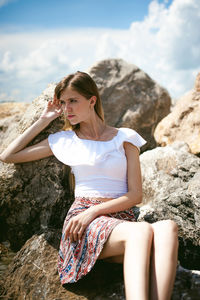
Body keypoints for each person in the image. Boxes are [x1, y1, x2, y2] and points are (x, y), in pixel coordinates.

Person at [0, 71, 178, 300]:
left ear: (92, 100)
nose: (67, 108)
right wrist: (44, 119)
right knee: (142, 231)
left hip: (119, 219)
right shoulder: (65, 140)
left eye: (73, 101)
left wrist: (95, 211)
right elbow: (8, 155)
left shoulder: (125, 137)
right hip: (84, 222)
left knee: (168, 228)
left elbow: (135, 195)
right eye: (63, 103)